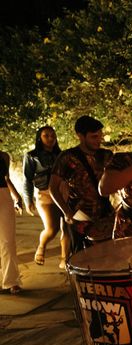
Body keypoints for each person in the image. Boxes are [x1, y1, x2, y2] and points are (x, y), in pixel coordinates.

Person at [49, 116, 113, 254]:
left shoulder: (107, 155)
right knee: (81, 257)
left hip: (105, 213)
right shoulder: (67, 157)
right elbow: (53, 188)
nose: (99, 140)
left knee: (109, 256)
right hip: (79, 215)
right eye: (94, 137)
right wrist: (66, 212)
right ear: (80, 136)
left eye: (100, 136)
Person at [23, 126, 70, 267]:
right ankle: (42, 246)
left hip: (63, 193)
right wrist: (28, 200)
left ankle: (64, 259)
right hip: (44, 194)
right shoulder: (31, 156)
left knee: (67, 227)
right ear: (39, 138)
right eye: (46, 135)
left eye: (53, 135)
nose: (50, 138)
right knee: (52, 228)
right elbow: (27, 178)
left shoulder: (62, 155)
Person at [0, 150, 23, 294]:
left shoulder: (4, 156)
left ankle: (11, 280)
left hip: (3, 195)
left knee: (8, 240)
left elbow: (6, 178)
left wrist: (17, 197)